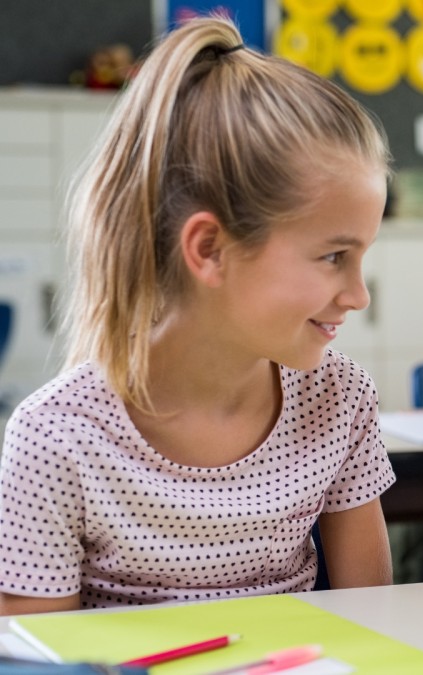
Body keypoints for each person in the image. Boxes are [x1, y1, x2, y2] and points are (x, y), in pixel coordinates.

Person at [0, 17, 396, 615]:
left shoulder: (339, 397)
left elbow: (377, 619)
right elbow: (30, 657)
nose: (358, 295)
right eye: (334, 256)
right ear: (209, 250)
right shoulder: (57, 437)